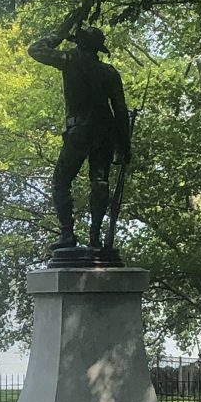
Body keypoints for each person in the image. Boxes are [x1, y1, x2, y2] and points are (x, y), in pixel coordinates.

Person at [28, 22, 131, 249]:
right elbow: (120, 111)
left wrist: (59, 34)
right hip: (105, 133)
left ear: (81, 43)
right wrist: (124, 145)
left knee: (61, 181)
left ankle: (67, 234)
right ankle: (95, 239)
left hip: (80, 132)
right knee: (99, 182)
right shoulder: (109, 72)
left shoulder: (70, 60)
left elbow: (36, 50)